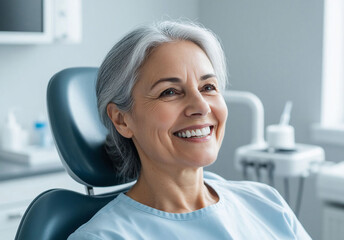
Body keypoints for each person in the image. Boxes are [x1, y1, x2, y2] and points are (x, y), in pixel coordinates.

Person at [68, 20, 311, 240]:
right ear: (122, 120)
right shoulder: (104, 237)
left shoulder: (266, 202)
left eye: (208, 87)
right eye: (170, 92)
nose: (201, 106)